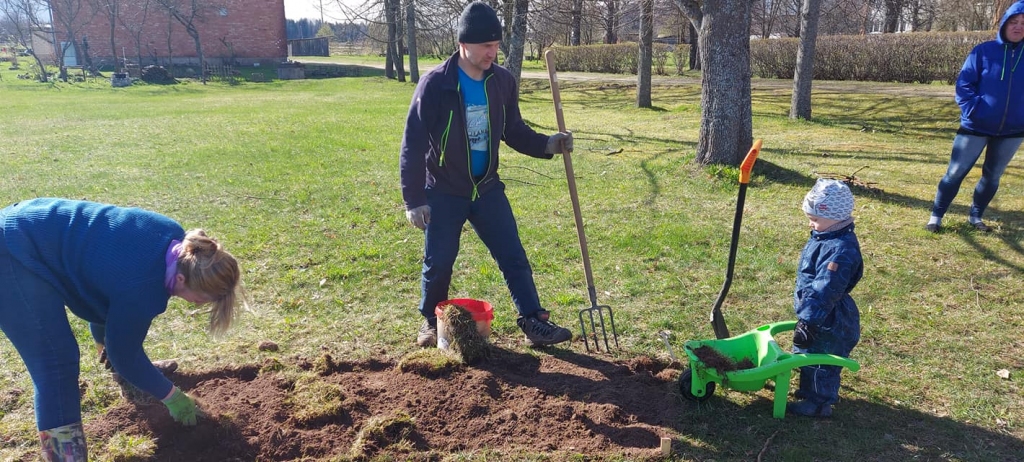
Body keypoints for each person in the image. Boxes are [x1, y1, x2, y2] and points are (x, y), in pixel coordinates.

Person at [0, 198, 246, 461]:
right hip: (12, 252)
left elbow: (104, 292)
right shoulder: (145, 287)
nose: (198, 305)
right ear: (182, 279)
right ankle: (65, 457)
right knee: (56, 363)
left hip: (27, 221)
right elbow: (125, 352)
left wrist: (111, 350)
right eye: (200, 299)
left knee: (73, 357)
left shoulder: (174, 239)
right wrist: (173, 397)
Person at [399, 1, 575, 348]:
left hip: (487, 189)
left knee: (513, 254)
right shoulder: (436, 84)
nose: (493, 52)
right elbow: (413, 144)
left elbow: (514, 130)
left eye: (496, 45)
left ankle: (533, 320)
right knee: (439, 261)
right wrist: (414, 200)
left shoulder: (502, 81)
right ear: (464, 43)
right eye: (486, 46)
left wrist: (548, 145)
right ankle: (430, 323)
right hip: (445, 190)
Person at [926, 2, 1024, 233]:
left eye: (1023, 24)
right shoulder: (983, 51)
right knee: (955, 172)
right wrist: (973, 109)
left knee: (992, 177)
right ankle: (936, 217)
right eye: (1014, 22)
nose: (1018, 27)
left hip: (1013, 130)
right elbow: (964, 84)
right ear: (1004, 23)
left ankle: (975, 217)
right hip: (975, 126)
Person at [789, 179, 863, 418]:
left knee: (821, 358)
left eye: (816, 219)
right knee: (808, 353)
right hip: (816, 310)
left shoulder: (840, 250)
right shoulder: (826, 237)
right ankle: (809, 391)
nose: (811, 224)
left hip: (828, 316)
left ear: (837, 217)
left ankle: (819, 403)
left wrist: (809, 319)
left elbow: (825, 289)